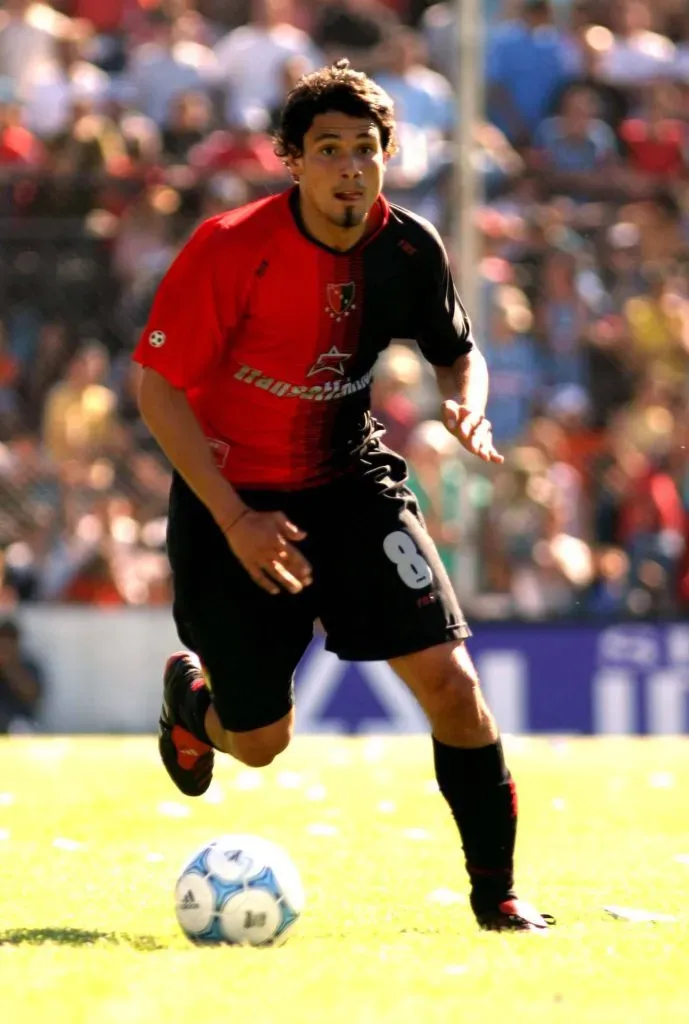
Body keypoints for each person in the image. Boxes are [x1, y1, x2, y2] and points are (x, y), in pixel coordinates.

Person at [133, 59, 553, 933]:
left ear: (387, 157)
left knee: (451, 682)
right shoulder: (230, 247)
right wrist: (234, 518)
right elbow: (157, 389)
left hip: (350, 483)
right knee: (259, 743)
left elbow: (456, 351)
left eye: (366, 149)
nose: (350, 168)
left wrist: (464, 403)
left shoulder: (408, 249)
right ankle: (194, 704)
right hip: (233, 499)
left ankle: (498, 899)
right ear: (290, 160)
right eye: (328, 149)